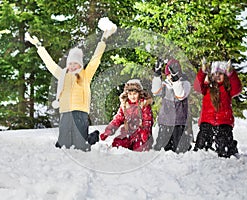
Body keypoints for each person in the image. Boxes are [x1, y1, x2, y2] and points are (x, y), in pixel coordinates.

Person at [25, 20, 116, 151]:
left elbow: (96, 59)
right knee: (63, 145)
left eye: (75, 64)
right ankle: (67, 140)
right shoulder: (63, 75)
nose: (72, 66)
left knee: (81, 146)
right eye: (70, 64)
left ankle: (93, 136)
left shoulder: (86, 74)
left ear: (80, 64)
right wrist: (39, 46)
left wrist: (103, 40)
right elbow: (50, 64)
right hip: (65, 110)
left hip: (80, 111)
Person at [193, 58, 242, 158]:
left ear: (225, 75)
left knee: (223, 147)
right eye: (215, 74)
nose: (217, 76)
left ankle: (231, 148)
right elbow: (197, 86)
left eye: (220, 74)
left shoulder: (227, 88)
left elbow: (237, 88)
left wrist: (231, 73)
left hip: (224, 122)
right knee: (201, 145)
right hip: (207, 121)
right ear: (211, 75)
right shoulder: (206, 88)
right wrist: (202, 71)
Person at [99, 79, 154, 152]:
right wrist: (108, 131)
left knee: (139, 148)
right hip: (128, 132)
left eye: (135, 94)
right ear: (127, 94)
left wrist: (145, 133)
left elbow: (147, 121)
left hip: (140, 134)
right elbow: (117, 119)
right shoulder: (125, 105)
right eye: (130, 94)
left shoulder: (144, 104)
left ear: (139, 94)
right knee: (118, 144)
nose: (132, 96)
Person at [152, 58, 191, 153]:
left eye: (172, 74)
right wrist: (157, 74)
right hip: (165, 120)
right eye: (168, 75)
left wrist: (176, 80)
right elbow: (155, 91)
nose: (170, 77)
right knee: (161, 147)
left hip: (178, 121)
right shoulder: (165, 84)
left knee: (178, 148)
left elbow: (180, 95)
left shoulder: (185, 84)